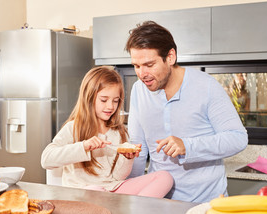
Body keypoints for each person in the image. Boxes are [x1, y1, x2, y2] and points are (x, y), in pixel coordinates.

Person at [125, 21, 248, 203]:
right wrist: (128, 196)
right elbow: (138, 149)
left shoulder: (206, 86)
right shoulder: (138, 90)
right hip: (157, 201)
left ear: (170, 57)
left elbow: (238, 138)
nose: (142, 74)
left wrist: (188, 146)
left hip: (205, 203)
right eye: (136, 66)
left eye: (149, 65)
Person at [41, 66, 173, 198]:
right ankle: (121, 208)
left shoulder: (120, 132)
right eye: (104, 100)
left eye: (115, 101)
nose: (110, 106)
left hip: (113, 189)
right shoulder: (73, 128)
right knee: (96, 190)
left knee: (164, 177)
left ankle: (136, 210)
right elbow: (46, 160)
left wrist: (127, 159)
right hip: (82, 192)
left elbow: (118, 177)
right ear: (89, 98)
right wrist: (84, 146)